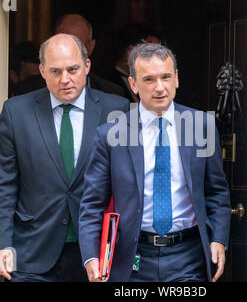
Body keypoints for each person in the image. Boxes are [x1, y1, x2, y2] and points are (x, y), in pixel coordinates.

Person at [78, 43, 231, 282]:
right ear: (133, 85)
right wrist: (91, 257)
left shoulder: (202, 126)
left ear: (177, 79)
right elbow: (91, 205)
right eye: (149, 79)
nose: (159, 87)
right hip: (133, 257)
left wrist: (219, 239)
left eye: (166, 77)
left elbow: (217, 192)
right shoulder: (110, 135)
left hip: (188, 256)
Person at [0, 34, 129, 282]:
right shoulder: (16, 112)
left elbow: (129, 183)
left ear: (87, 66)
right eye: (55, 71)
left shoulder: (117, 110)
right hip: (32, 252)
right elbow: (1, 186)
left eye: (72, 69)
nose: (65, 79)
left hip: (96, 253)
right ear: (42, 71)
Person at [55, 14, 126, 98]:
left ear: (91, 47)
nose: (69, 54)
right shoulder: (36, 89)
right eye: (65, 45)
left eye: (78, 46)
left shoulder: (113, 94)